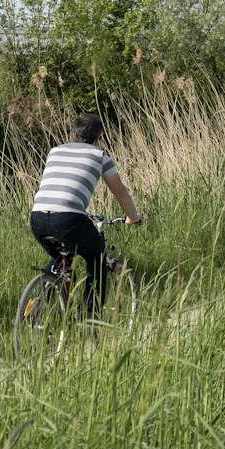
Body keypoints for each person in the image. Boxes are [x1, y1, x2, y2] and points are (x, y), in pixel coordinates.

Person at [29, 113, 143, 317]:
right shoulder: (100, 156)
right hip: (69, 218)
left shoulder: (55, 151)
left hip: (37, 217)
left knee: (59, 257)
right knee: (96, 256)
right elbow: (120, 192)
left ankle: (39, 306)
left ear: (74, 132)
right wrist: (133, 217)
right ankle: (92, 321)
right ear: (99, 136)